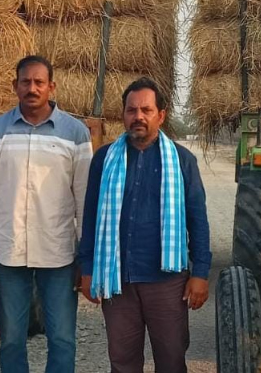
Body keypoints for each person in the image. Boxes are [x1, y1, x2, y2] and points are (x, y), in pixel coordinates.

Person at [79, 77, 212, 373]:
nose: (138, 116)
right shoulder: (104, 159)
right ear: (124, 114)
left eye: (146, 110)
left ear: (160, 116)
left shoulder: (181, 160)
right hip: (118, 279)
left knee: (171, 360)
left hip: (166, 282)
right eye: (131, 110)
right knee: (123, 362)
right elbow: (90, 216)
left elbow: (197, 220)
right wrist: (87, 269)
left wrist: (200, 272)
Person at [0, 55, 93, 373]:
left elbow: (84, 201)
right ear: (15, 86)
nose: (32, 88)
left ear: (51, 86)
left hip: (60, 255)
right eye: (26, 82)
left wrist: (86, 257)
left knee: (63, 339)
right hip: (9, 254)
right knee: (11, 339)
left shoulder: (75, 134)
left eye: (39, 82)